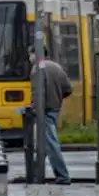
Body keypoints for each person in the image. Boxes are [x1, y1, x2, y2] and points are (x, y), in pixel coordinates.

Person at [29, 46, 73, 185]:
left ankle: (63, 176)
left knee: (50, 144)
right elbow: (68, 89)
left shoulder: (37, 69)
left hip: (44, 111)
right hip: (54, 108)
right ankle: (35, 173)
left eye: (30, 55)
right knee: (43, 144)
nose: (29, 58)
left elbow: (36, 92)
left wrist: (35, 107)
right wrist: (57, 98)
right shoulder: (56, 67)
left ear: (35, 54)